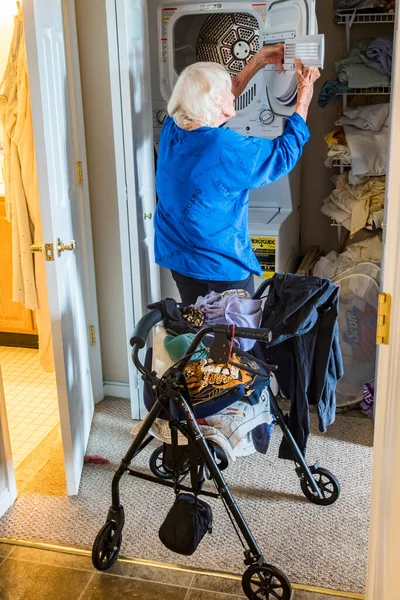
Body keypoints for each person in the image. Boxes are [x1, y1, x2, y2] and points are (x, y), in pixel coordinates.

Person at [154, 44, 320, 304]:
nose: (233, 94)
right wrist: (304, 96)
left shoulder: (172, 128)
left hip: (179, 255)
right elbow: (282, 154)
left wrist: (256, 62)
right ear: (216, 101)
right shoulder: (222, 145)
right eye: (226, 91)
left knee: (198, 327)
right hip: (220, 265)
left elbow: (214, 102)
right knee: (236, 337)